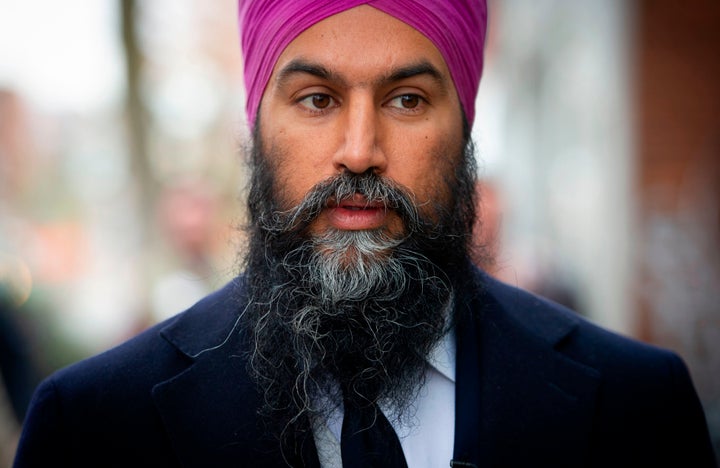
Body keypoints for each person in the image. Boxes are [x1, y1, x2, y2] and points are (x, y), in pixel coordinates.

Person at [13, 1, 717, 467]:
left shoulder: (636, 408)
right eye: (316, 99)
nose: (358, 150)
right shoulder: (95, 427)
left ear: (465, 127)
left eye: (407, 100)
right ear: (257, 127)